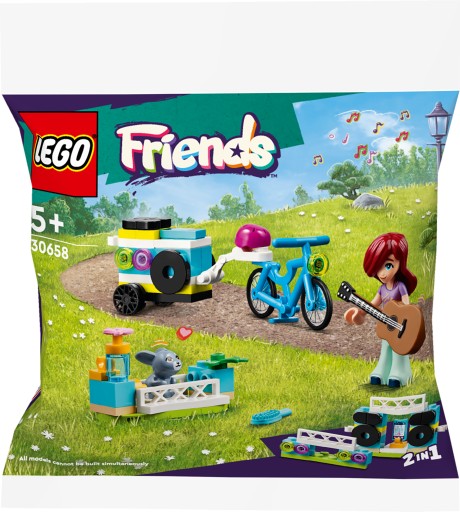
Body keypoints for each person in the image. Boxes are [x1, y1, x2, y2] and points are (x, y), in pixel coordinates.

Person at [344, 233, 417, 388]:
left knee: (398, 350)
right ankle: (382, 370)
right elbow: (373, 305)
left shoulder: (400, 286)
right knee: (386, 348)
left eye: (388, 265)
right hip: (387, 324)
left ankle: (401, 372)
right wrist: (359, 314)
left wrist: (406, 320)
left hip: (401, 324)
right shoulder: (382, 289)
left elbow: (407, 305)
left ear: (400, 264)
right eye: (379, 267)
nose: (382, 273)